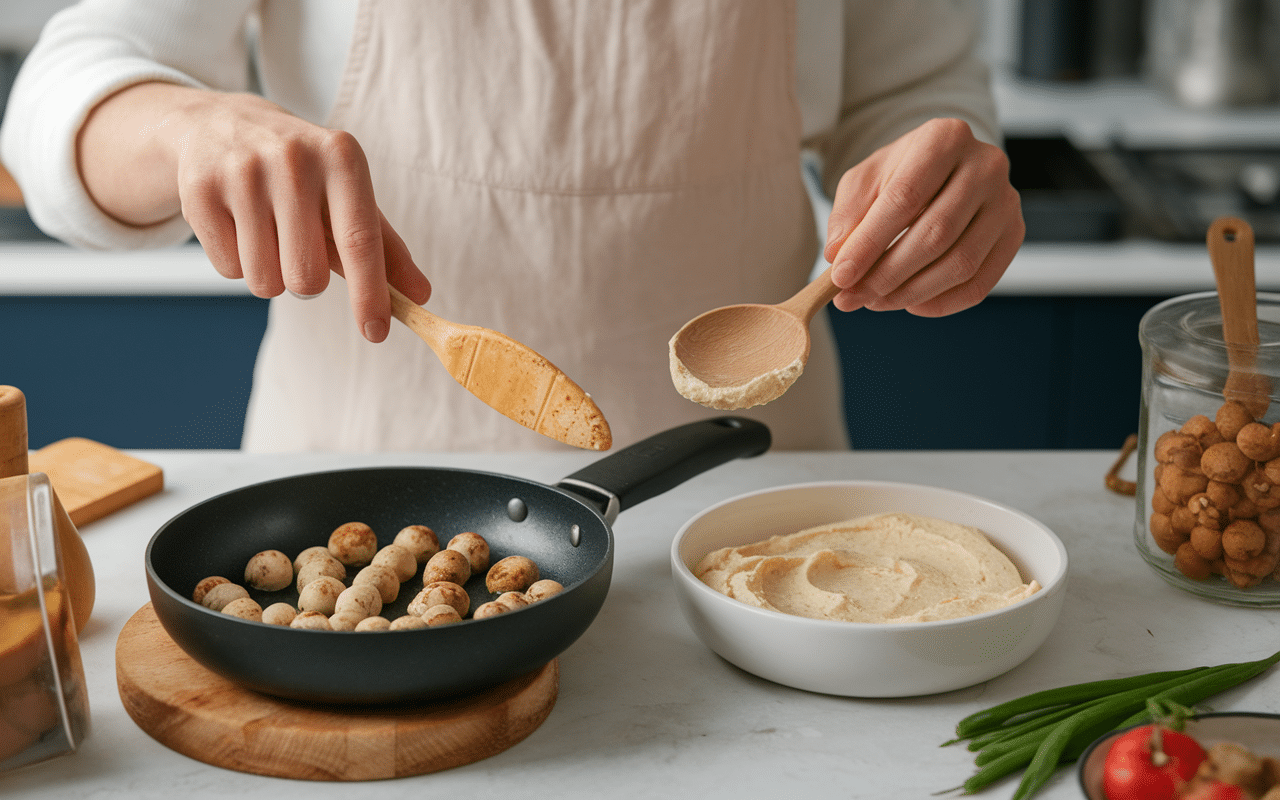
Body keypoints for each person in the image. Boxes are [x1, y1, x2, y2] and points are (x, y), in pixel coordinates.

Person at [0, 0, 1023, 452]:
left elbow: (916, 84)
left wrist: (937, 174)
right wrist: (185, 125)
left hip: (747, 502)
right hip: (354, 488)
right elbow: (67, 88)